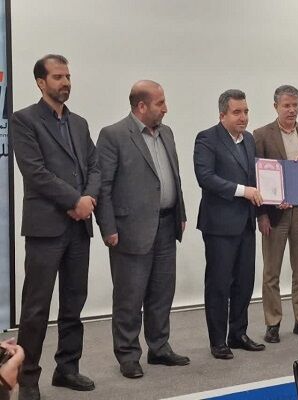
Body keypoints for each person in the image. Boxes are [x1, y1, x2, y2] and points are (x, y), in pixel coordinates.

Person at [11, 54, 100, 400]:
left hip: (79, 228)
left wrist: (88, 198)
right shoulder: (24, 120)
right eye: (58, 77)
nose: (65, 82)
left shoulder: (79, 123)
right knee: (36, 308)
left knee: (73, 303)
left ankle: (67, 368)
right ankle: (28, 379)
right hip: (45, 227)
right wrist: (74, 201)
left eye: (68, 76)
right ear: (40, 82)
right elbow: (35, 172)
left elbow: (94, 166)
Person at [95, 80, 189, 379]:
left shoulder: (167, 133)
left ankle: (159, 347)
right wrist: (107, 227)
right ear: (141, 106)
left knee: (162, 292)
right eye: (160, 103)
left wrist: (180, 213)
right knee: (129, 296)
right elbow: (103, 186)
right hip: (129, 230)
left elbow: (173, 177)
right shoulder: (113, 135)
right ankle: (127, 354)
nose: (166, 108)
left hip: (166, 225)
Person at [194, 89, 265, 360]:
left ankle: (238, 333)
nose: (243, 117)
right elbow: (206, 177)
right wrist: (243, 191)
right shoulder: (207, 138)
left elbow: (257, 177)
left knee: (244, 282)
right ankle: (218, 341)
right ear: (222, 114)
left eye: (246, 111)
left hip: (246, 223)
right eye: (237, 112)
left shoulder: (249, 139)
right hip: (219, 226)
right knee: (219, 284)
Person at [253, 85, 298, 343]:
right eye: (286, 106)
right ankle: (273, 322)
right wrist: (262, 214)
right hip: (274, 215)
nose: (292, 110)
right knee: (271, 272)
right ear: (276, 107)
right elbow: (257, 176)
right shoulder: (261, 135)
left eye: (295, 105)